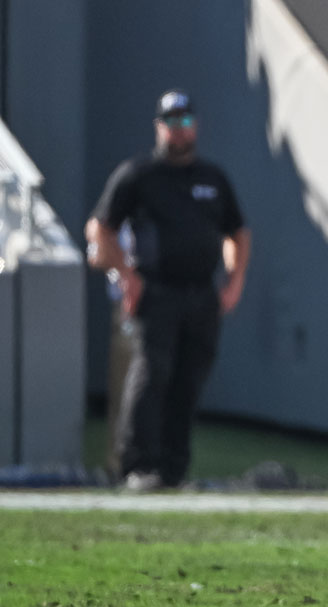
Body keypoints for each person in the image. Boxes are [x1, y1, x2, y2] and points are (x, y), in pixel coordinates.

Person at [85, 89, 251, 491]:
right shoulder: (139, 175)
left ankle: (174, 469)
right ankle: (138, 466)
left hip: (201, 295)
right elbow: (99, 231)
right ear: (159, 127)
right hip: (156, 293)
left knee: (189, 379)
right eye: (172, 123)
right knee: (151, 374)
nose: (179, 131)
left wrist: (234, 281)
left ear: (196, 126)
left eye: (186, 123)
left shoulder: (212, 178)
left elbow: (237, 231)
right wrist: (126, 274)